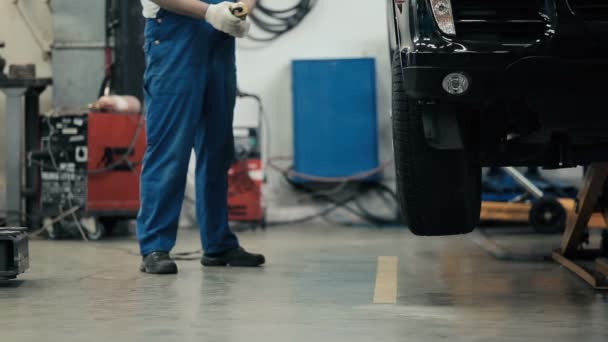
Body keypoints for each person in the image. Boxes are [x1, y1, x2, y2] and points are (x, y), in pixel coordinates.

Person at [137, 0, 265, 274]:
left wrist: (242, 10)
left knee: (217, 150)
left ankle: (218, 244)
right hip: (174, 42)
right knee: (170, 149)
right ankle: (154, 246)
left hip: (219, 43)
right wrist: (209, 12)